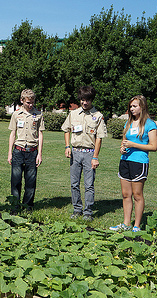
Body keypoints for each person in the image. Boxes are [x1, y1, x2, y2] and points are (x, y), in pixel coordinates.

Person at [110, 95, 157, 232]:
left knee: (137, 195)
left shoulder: (150, 124)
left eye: (134, 106)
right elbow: (124, 141)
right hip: (125, 161)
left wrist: (133, 144)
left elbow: (154, 146)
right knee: (126, 194)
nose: (131, 109)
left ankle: (136, 225)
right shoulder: (128, 123)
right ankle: (126, 224)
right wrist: (122, 148)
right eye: (130, 106)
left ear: (142, 107)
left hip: (139, 162)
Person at [61, 86, 107, 221]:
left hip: (89, 153)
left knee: (89, 184)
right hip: (75, 153)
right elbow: (66, 129)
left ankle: (88, 212)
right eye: (82, 100)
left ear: (91, 100)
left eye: (87, 100)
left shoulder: (98, 116)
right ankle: (77, 209)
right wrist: (67, 146)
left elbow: (99, 138)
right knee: (74, 183)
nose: (84, 103)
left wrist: (95, 157)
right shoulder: (73, 114)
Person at [8, 89, 45, 209]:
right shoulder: (16, 114)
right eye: (28, 102)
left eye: (32, 102)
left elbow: (40, 134)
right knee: (16, 180)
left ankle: (28, 206)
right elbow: (13, 133)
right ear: (22, 100)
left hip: (32, 151)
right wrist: (9, 153)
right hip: (18, 151)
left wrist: (39, 154)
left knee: (30, 181)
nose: (30, 105)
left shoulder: (38, 114)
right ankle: (15, 205)